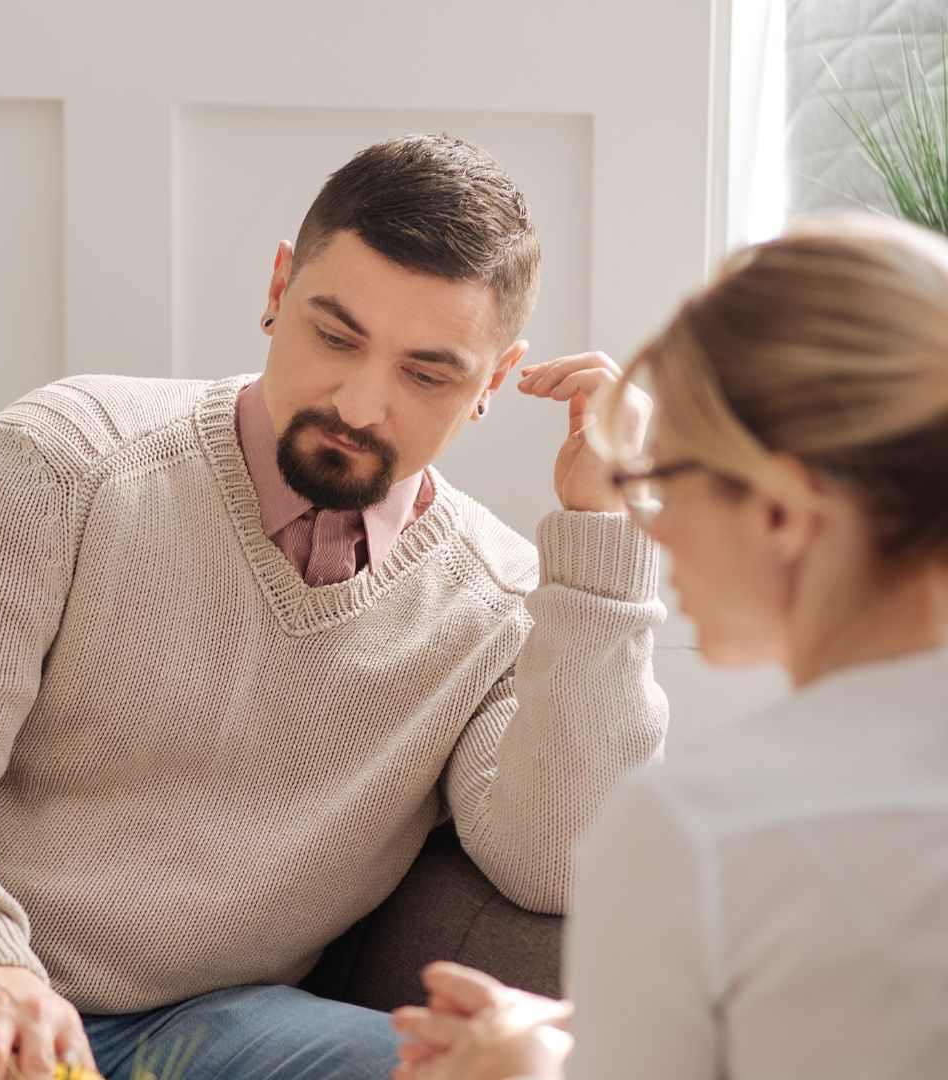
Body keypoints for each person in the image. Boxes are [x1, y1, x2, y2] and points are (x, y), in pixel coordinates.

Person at [0, 134, 670, 1080]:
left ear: (490, 382)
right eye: (335, 334)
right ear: (279, 290)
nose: (359, 403)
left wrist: (605, 532)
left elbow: (555, 861)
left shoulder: (496, 606)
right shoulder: (61, 461)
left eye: (426, 373)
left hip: (210, 1026)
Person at [389, 214, 948, 1079]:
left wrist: (528, 1073)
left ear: (780, 514)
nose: (649, 519)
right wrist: (591, 1026)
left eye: (664, 476)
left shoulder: (699, 833)